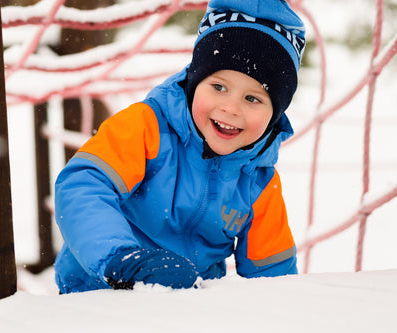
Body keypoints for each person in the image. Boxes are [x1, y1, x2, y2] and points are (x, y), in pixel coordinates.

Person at [54, 0, 306, 293]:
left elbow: (275, 278)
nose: (231, 108)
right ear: (194, 82)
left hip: (186, 309)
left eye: (253, 99)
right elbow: (82, 185)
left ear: (274, 115)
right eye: (219, 87)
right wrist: (119, 258)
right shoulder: (147, 127)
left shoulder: (258, 182)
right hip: (99, 292)